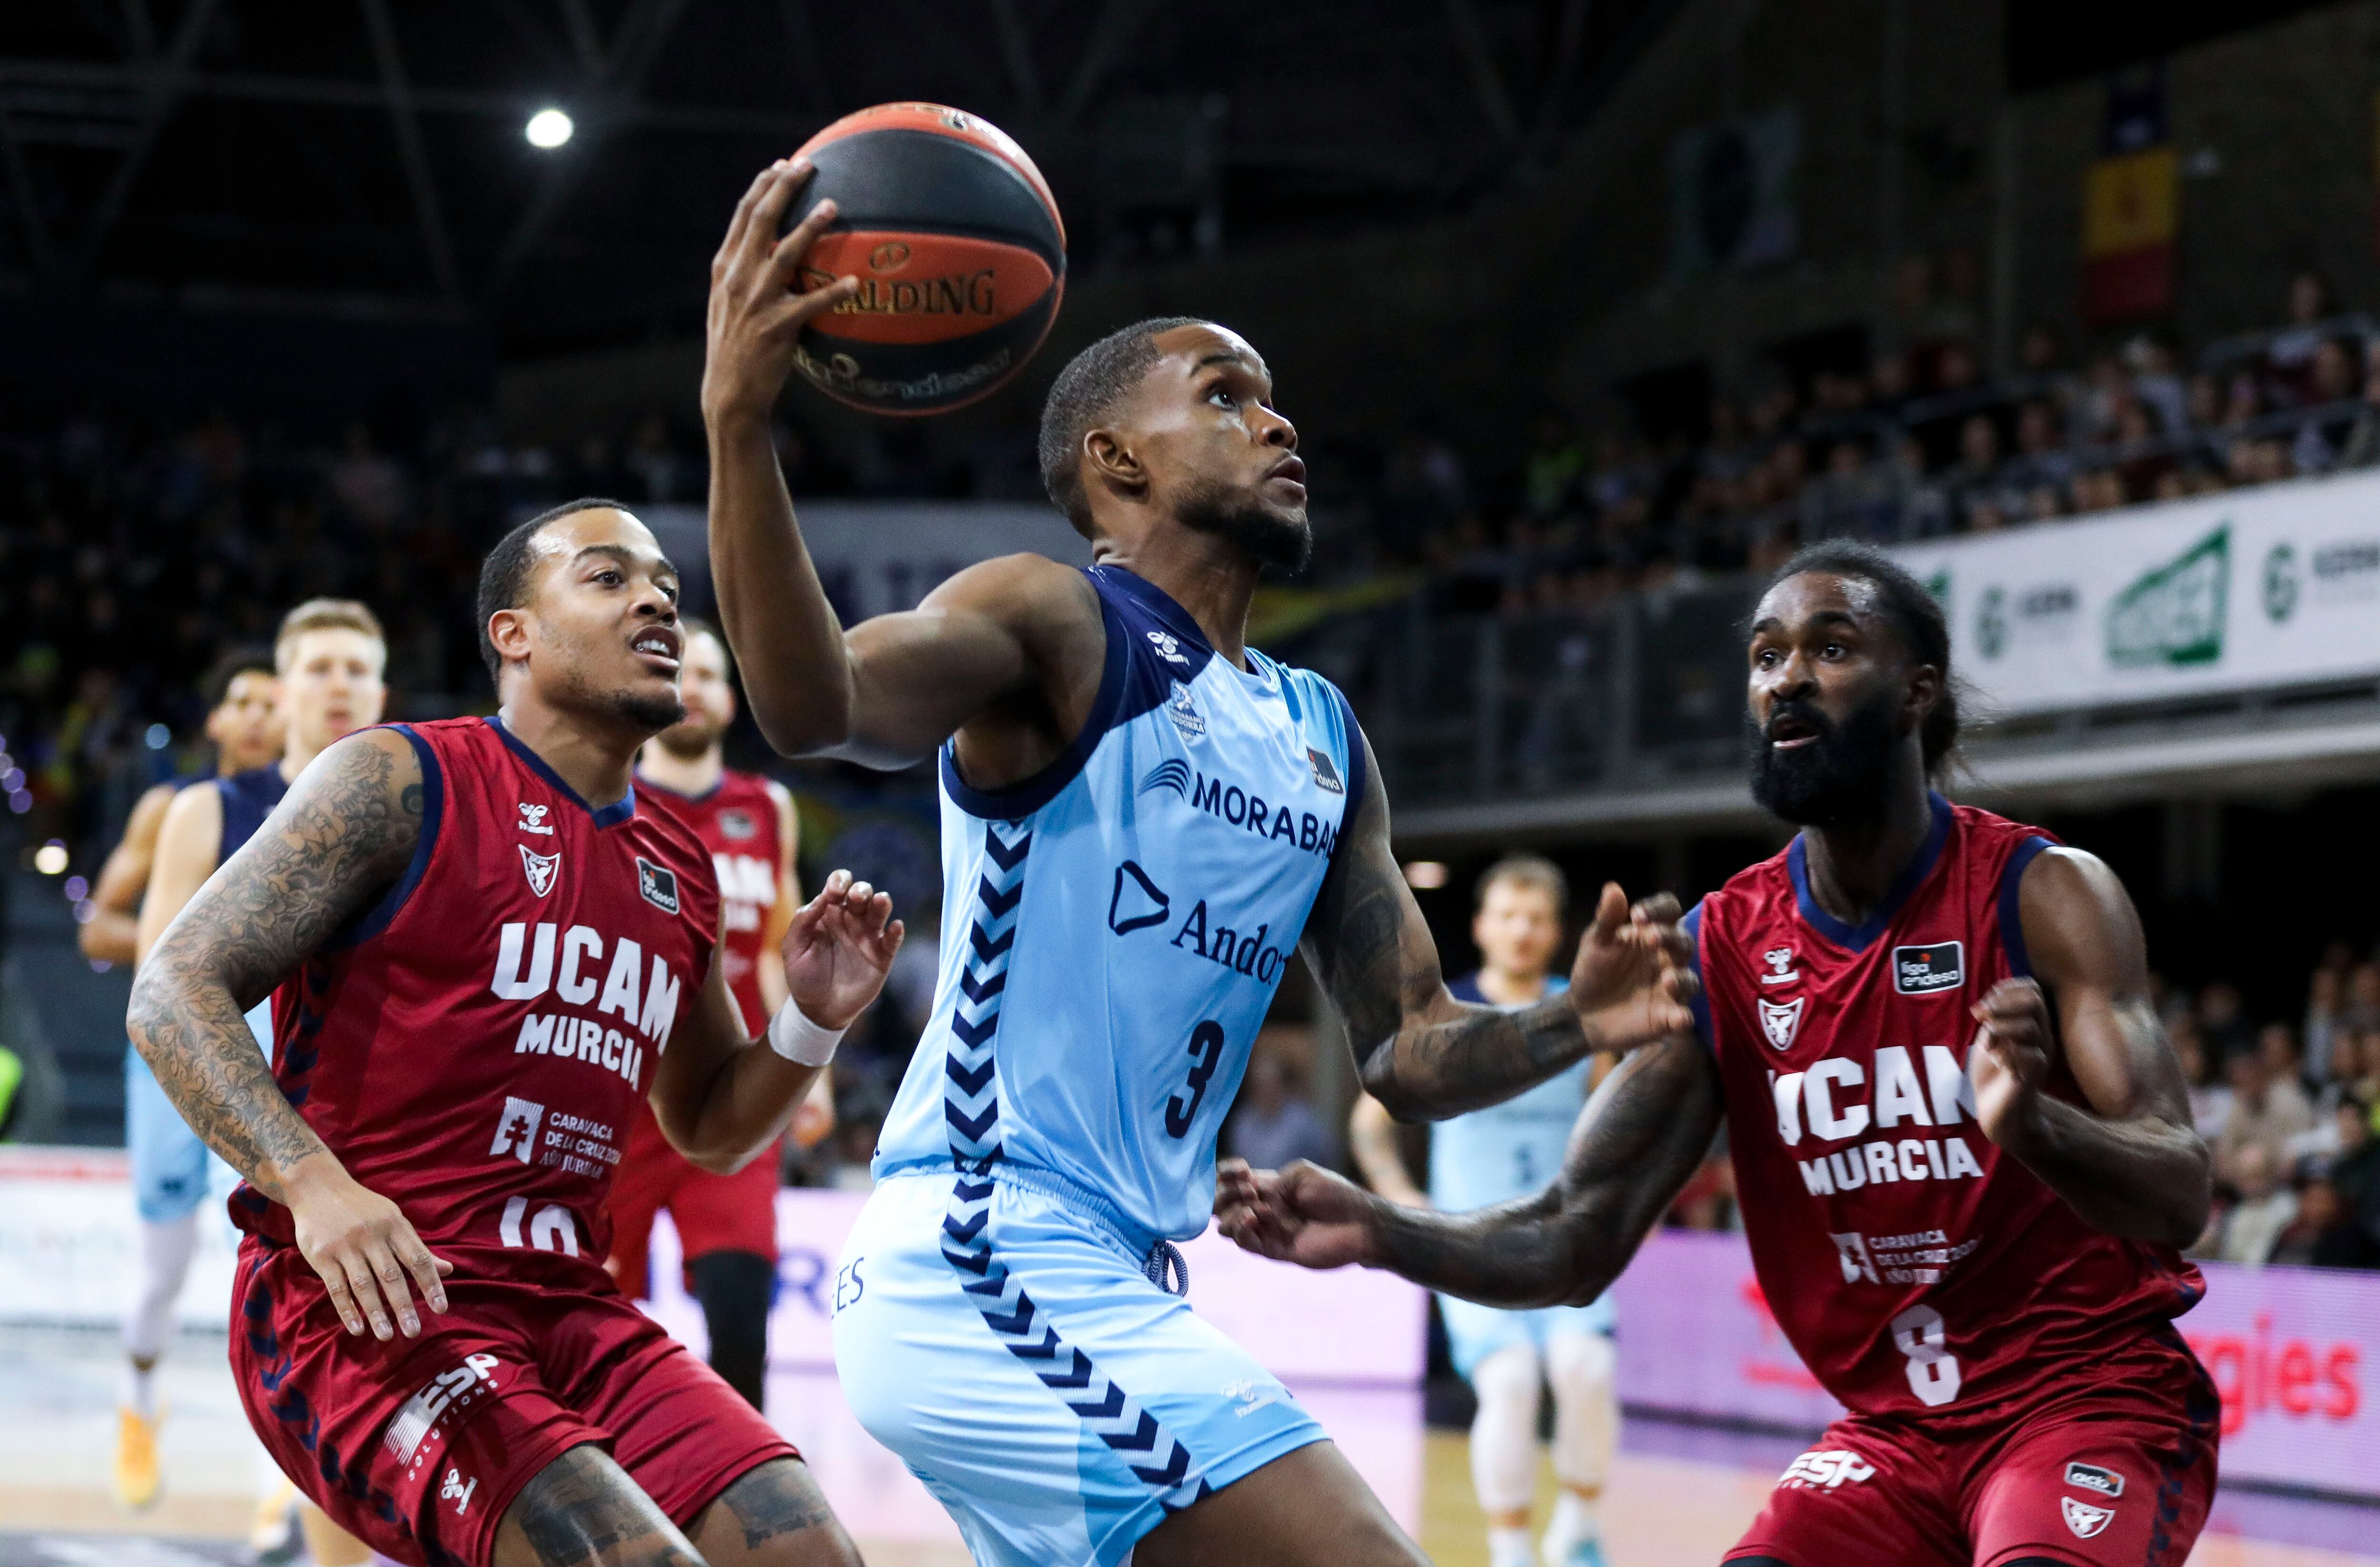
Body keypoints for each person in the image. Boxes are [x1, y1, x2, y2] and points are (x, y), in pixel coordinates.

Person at [701, 158, 1695, 1567]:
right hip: (986, 1249)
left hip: (1127, 1271)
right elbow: (816, 706)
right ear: (1118, 460)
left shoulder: (1320, 732)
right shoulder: (1056, 621)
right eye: (1225, 394)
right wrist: (741, 424)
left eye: (1272, 393)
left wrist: (1576, 1022)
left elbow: (1409, 1047)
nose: (1276, 416)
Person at [1220, 539, 2221, 1567]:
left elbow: (2179, 1190)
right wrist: (1379, 1227)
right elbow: (1572, 1238)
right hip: (1896, 1435)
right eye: (1765, 656)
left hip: (2090, 1402)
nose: (1787, 677)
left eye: (1831, 650)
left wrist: (2032, 1124)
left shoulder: (2046, 895)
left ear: (1916, 692)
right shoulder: (1720, 950)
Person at [126, 499, 905, 1567]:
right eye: (607, 578)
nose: (655, 603)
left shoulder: (679, 866)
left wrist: (811, 1022)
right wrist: (311, 1184)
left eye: (666, 592)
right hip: (372, 1313)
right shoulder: (398, 779)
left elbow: (713, 1129)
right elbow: (171, 987)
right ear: (514, 634)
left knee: (815, 1555)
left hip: (574, 1312)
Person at [1348, 856, 1617, 1567]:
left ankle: (1579, 1528)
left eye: (1536, 917)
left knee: (1586, 1367)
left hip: (1566, 1236)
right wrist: (1399, 1195)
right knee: (1512, 1380)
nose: (1522, 930)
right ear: (1482, 927)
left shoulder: (1585, 1015)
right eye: (1508, 915)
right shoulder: (1445, 1019)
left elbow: (1618, 1120)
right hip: (1471, 1242)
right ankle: (1511, 1554)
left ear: (1555, 930)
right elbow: (1371, 1123)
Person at [606, 616, 833, 1410]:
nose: (694, 687)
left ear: (731, 702)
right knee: (590, 1322)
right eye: (683, 673)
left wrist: (811, 1069)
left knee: (741, 1317)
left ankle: (739, 1507)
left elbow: (775, 950)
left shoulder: (767, 805)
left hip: (731, 1085)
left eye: (710, 674)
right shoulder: (609, 793)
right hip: (618, 1092)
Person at [92, 647, 285, 1508]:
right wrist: (173, 952)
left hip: (273, 1049)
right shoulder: (175, 808)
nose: (256, 714)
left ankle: (281, 1487)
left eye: (267, 701)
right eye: (240, 700)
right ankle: (137, 1401)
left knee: (272, 1258)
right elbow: (100, 924)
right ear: (215, 720)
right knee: (163, 1270)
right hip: (175, 1044)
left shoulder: (325, 805)